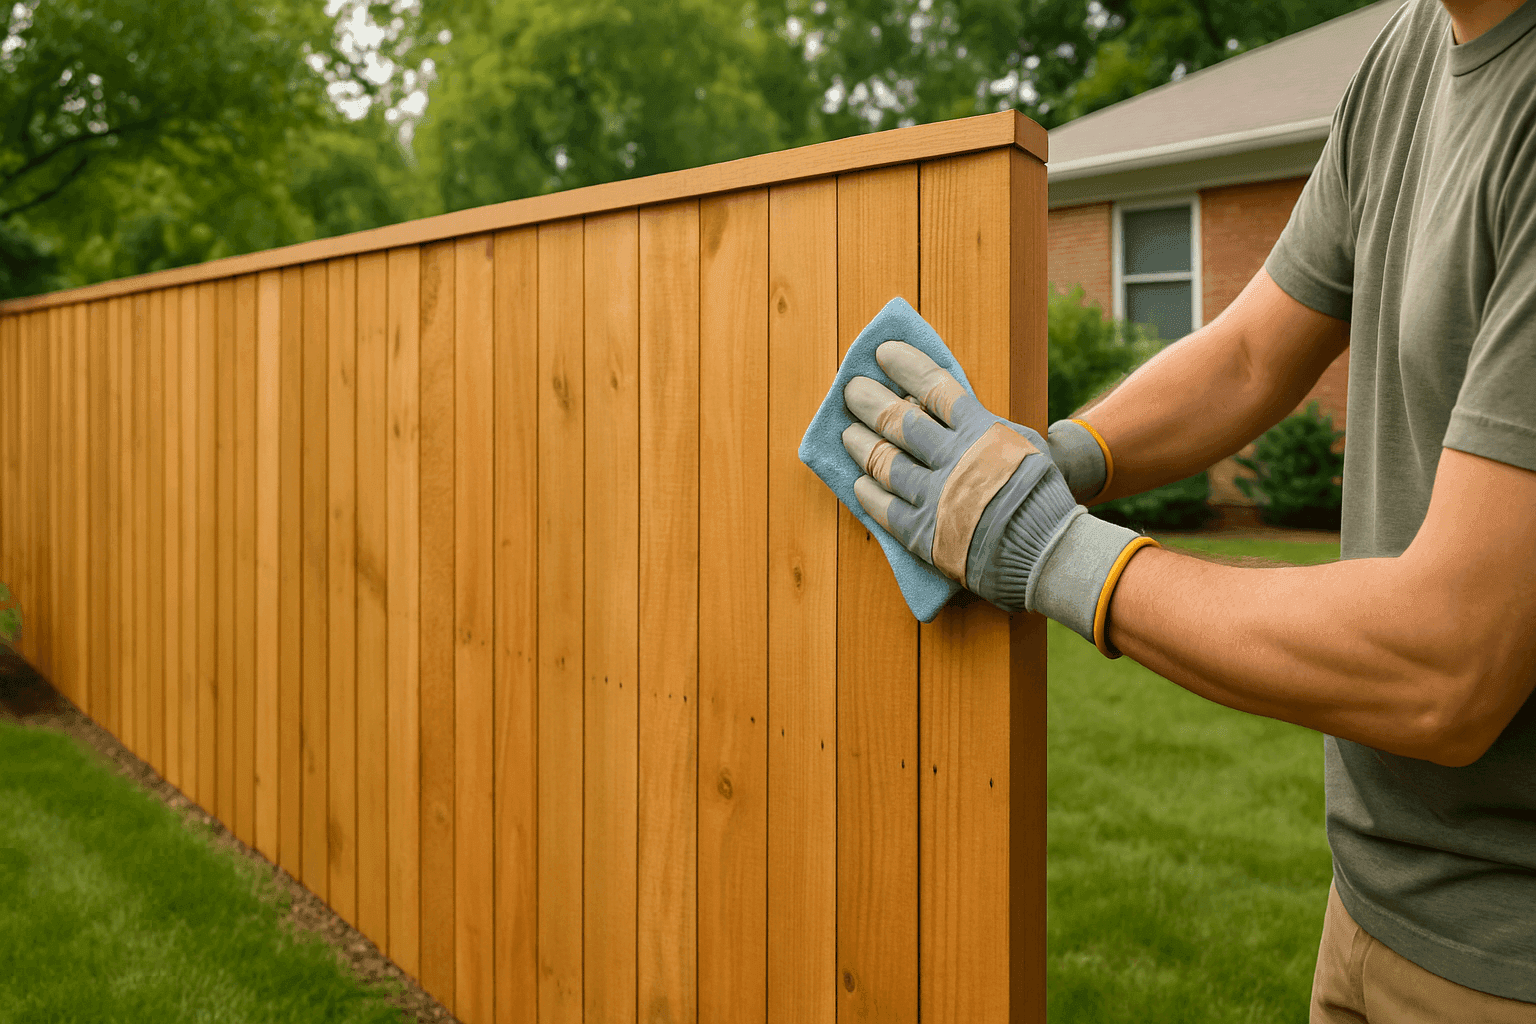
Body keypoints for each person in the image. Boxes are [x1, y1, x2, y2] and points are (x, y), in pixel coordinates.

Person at [834, 0, 1535, 1018]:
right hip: (1373, 903)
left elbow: (1446, 662)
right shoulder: (1409, 56)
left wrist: (1056, 552)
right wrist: (1060, 456)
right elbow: (1253, 351)